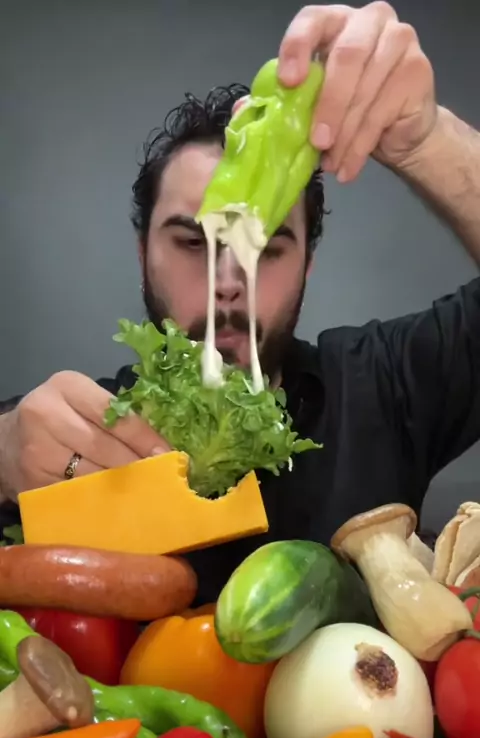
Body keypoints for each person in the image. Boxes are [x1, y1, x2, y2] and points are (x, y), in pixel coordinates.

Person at [1, 2, 479, 604]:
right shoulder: (80, 430)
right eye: (192, 243)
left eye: (267, 248)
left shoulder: (386, 385)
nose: (229, 281)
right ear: (142, 252)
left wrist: (429, 142)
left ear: (307, 261)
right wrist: (3, 450)